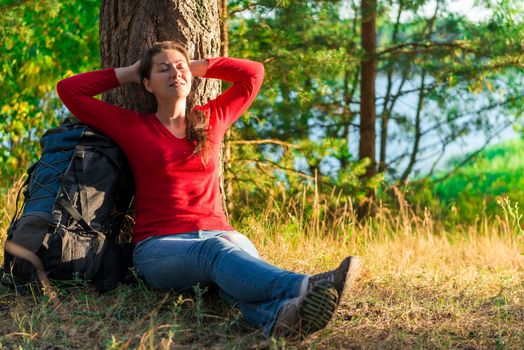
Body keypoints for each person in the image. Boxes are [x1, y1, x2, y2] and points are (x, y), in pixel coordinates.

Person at [56, 41, 360, 340]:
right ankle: (307, 286)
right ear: (147, 84)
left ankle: (284, 316)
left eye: (180, 67)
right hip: (159, 247)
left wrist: (198, 66)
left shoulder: (211, 119)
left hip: (221, 235)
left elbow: (253, 73)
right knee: (216, 252)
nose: (175, 73)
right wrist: (129, 72)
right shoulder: (133, 127)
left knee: (229, 274)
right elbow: (69, 90)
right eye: (163, 69)